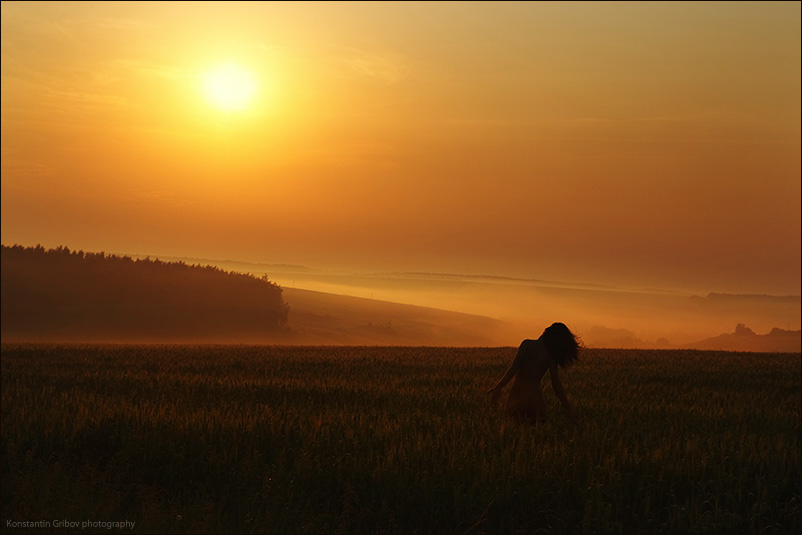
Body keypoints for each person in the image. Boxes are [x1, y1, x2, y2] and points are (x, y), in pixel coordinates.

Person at [487, 322, 580, 423]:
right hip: (536, 401)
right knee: (539, 429)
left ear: (546, 332)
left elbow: (513, 369)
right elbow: (556, 384)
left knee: (513, 425)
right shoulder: (551, 356)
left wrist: (498, 387)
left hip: (518, 397)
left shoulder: (527, 345)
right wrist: (569, 409)